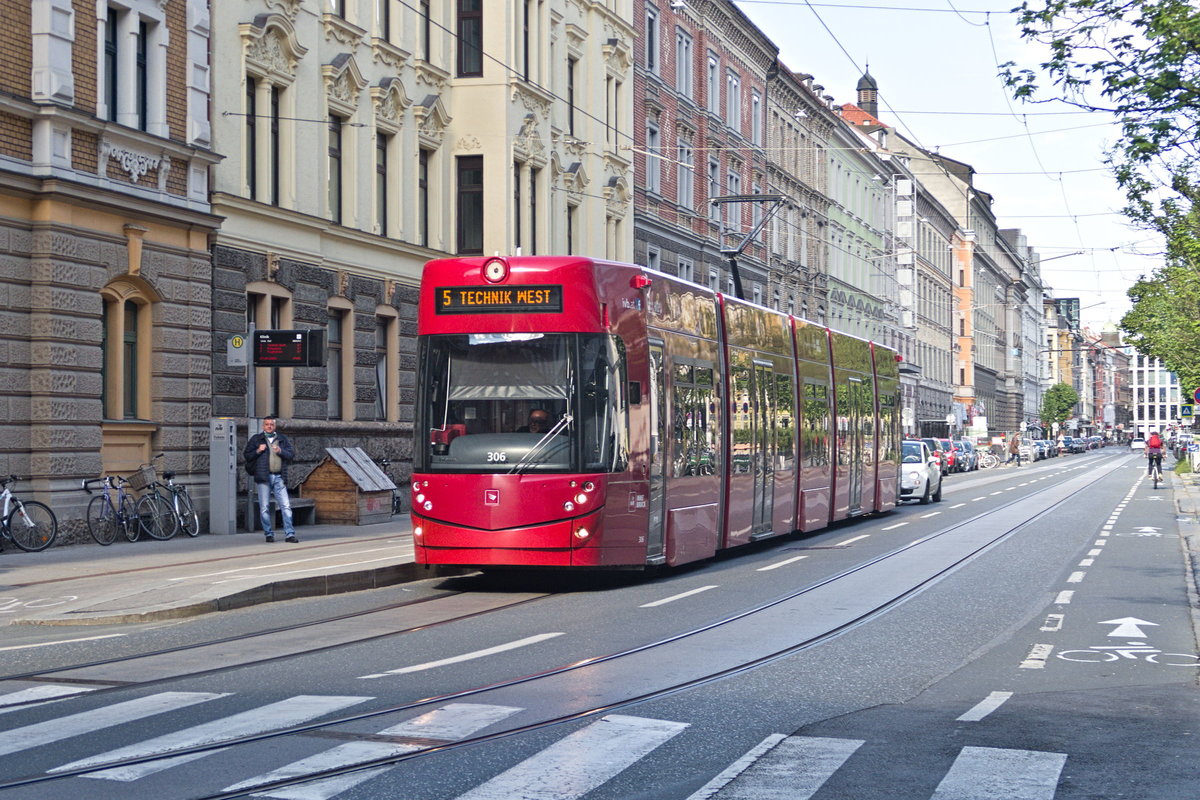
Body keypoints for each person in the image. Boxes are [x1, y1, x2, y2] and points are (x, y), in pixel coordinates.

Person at [244, 416, 298, 543]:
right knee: (264, 507)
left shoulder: (282, 439)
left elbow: (291, 455)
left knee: (286, 506)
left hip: (279, 477)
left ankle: (289, 534)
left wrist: (280, 451)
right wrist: (258, 450)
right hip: (264, 477)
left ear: (275, 426)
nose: (269, 426)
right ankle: (268, 533)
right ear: (263, 426)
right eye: (266, 424)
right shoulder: (256, 439)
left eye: (271, 424)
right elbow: (247, 456)